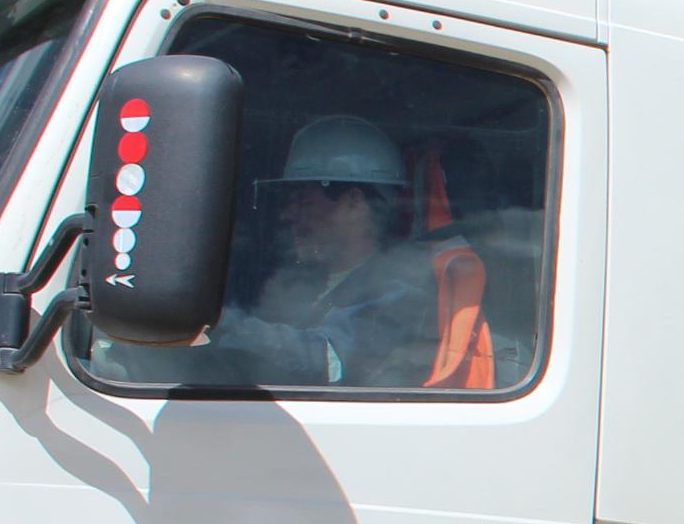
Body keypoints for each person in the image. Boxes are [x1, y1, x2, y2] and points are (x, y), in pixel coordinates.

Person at [207, 115, 492, 389]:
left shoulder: (400, 291)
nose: (287, 214)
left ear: (354, 203)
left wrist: (213, 320)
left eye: (302, 199)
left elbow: (329, 361)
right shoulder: (308, 282)